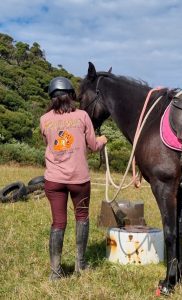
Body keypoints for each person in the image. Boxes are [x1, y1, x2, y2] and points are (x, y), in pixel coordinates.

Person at [40, 76, 107, 280]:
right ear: (70, 95)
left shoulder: (44, 119)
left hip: (53, 180)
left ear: (52, 97)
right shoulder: (82, 116)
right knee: (82, 218)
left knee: (58, 223)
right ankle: (80, 264)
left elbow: (48, 142)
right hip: (78, 180)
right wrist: (102, 140)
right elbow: (93, 146)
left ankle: (55, 272)